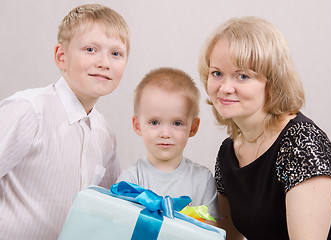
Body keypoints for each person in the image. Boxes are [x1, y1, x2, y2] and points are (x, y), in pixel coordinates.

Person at [198, 16, 331, 239]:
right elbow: (227, 237)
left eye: (242, 76)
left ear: (273, 81)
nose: (225, 87)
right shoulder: (228, 153)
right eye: (217, 73)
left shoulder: (301, 143)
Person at [0, 4, 129, 239]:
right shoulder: (30, 111)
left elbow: (108, 204)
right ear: (61, 56)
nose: (104, 62)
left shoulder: (105, 133)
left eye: (116, 53)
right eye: (91, 49)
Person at [117, 67, 221, 222]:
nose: (165, 133)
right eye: (154, 122)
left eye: (177, 123)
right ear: (138, 125)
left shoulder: (202, 179)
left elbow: (213, 231)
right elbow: (118, 225)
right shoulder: (130, 180)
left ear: (193, 127)